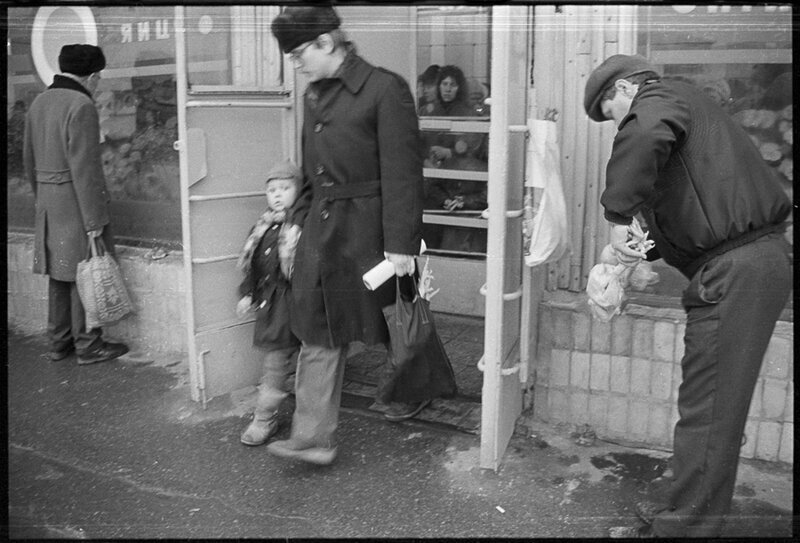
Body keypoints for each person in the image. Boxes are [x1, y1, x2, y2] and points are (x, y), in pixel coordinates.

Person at [583, 54, 792, 538]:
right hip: (743, 267)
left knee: (709, 414)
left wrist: (615, 215)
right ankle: (683, 515)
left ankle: (683, 530)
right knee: (710, 410)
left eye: (613, 116)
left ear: (623, 91)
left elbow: (645, 131)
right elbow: (691, 204)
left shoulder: (660, 98)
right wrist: (633, 258)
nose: (621, 126)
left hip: (736, 272)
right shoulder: (691, 116)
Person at [267, 5, 426, 465]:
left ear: (326, 42)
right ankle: (313, 436)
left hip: (374, 230)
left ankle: (417, 389)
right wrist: (295, 222)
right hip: (325, 227)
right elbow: (311, 173)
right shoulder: (314, 95)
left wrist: (400, 243)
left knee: (400, 320)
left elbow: (403, 174)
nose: (296, 64)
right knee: (319, 324)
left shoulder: (385, 88)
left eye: (299, 54)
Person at [23, 44, 129, 366]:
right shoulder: (81, 104)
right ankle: (88, 345)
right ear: (93, 76)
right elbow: (85, 169)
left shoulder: (38, 103)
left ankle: (59, 342)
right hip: (75, 202)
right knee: (85, 269)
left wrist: (43, 197)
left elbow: (28, 160)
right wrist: (94, 218)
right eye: (99, 78)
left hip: (48, 202)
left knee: (60, 274)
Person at [235, 160, 303, 446]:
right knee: (275, 365)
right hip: (274, 308)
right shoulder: (262, 227)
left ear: (298, 191)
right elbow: (255, 266)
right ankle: (266, 418)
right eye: (272, 190)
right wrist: (247, 294)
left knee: (303, 365)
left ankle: (295, 421)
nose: (277, 195)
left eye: (285, 188)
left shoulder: (302, 226)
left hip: (300, 304)